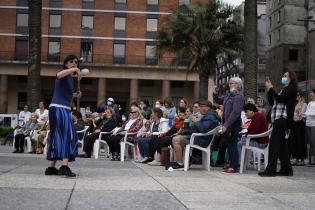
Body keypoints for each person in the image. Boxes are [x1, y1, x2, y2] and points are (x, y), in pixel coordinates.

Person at [45, 54, 82, 177]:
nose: (74, 63)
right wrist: (75, 70)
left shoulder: (70, 79)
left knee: (58, 136)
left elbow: (64, 95)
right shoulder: (63, 73)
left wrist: (75, 95)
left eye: (76, 62)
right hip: (58, 108)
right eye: (71, 61)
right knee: (67, 135)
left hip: (63, 109)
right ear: (66, 63)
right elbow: (58, 75)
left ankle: (51, 168)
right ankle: (64, 167)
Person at [259, 71, 298, 177]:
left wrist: (271, 88)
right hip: (277, 119)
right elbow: (273, 102)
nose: (283, 78)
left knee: (274, 145)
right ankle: (286, 169)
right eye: (283, 76)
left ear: (291, 78)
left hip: (282, 119)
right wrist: (268, 90)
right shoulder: (284, 89)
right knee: (282, 147)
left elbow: (280, 99)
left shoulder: (292, 88)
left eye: (286, 76)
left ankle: (270, 171)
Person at [169, 100, 220, 170]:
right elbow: (200, 128)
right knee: (176, 137)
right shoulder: (209, 116)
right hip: (200, 138)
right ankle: (178, 162)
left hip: (201, 140)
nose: (199, 109)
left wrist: (196, 121)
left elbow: (202, 129)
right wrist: (182, 132)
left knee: (175, 140)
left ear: (207, 108)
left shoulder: (211, 117)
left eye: (201, 107)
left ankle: (180, 163)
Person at [217, 77, 245, 174]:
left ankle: (234, 167)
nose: (230, 85)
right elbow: (219, 100)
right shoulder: (229, 95)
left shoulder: (239, 96)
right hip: (227, 123)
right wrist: (216, 93)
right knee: (229, 144)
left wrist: (226, 125)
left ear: (238, 85)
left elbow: (235, 113)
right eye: (229, 83)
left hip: (234, 123)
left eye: (232, 83)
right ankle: (231, 164)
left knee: (233, 144)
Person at [290, 92, 307, 166]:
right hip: (294, 124)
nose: (296, 97)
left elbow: (301, 115)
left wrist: (298, 112)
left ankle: (302, 159)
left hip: (301, 124)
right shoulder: (295, 104)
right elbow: (293, 115)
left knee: (301, 141)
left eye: (297, 95)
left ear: (301, 96)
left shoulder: (304, 104)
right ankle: (296, 158)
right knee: (294, 140)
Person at [305, 89, 315, 165]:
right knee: (309, 142)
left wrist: (307, 114)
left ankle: (313, 159)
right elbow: (307, 112)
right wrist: (303, 114)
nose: (310, 94)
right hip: (308, 124)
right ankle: (310, 159)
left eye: (311, 92)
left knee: (313, 141)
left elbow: (312, 113)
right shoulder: (309, 103)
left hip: (313, 124)